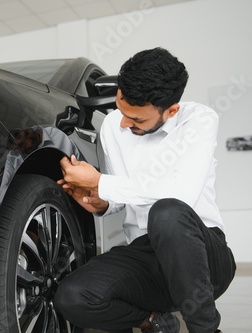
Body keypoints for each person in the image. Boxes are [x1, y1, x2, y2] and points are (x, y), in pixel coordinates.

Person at [54, 47, 236, 333]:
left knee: (167, 212)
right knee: (72, 296)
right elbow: (122, 189)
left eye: (137, 120)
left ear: (171, 110)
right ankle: (153, 321)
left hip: (203, 255)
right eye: (121, 110)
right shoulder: (113, 125)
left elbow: (180, 194)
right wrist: (102, 201)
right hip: (145, 256)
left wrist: (100, 181)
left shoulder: (198, 120)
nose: (125, 123)